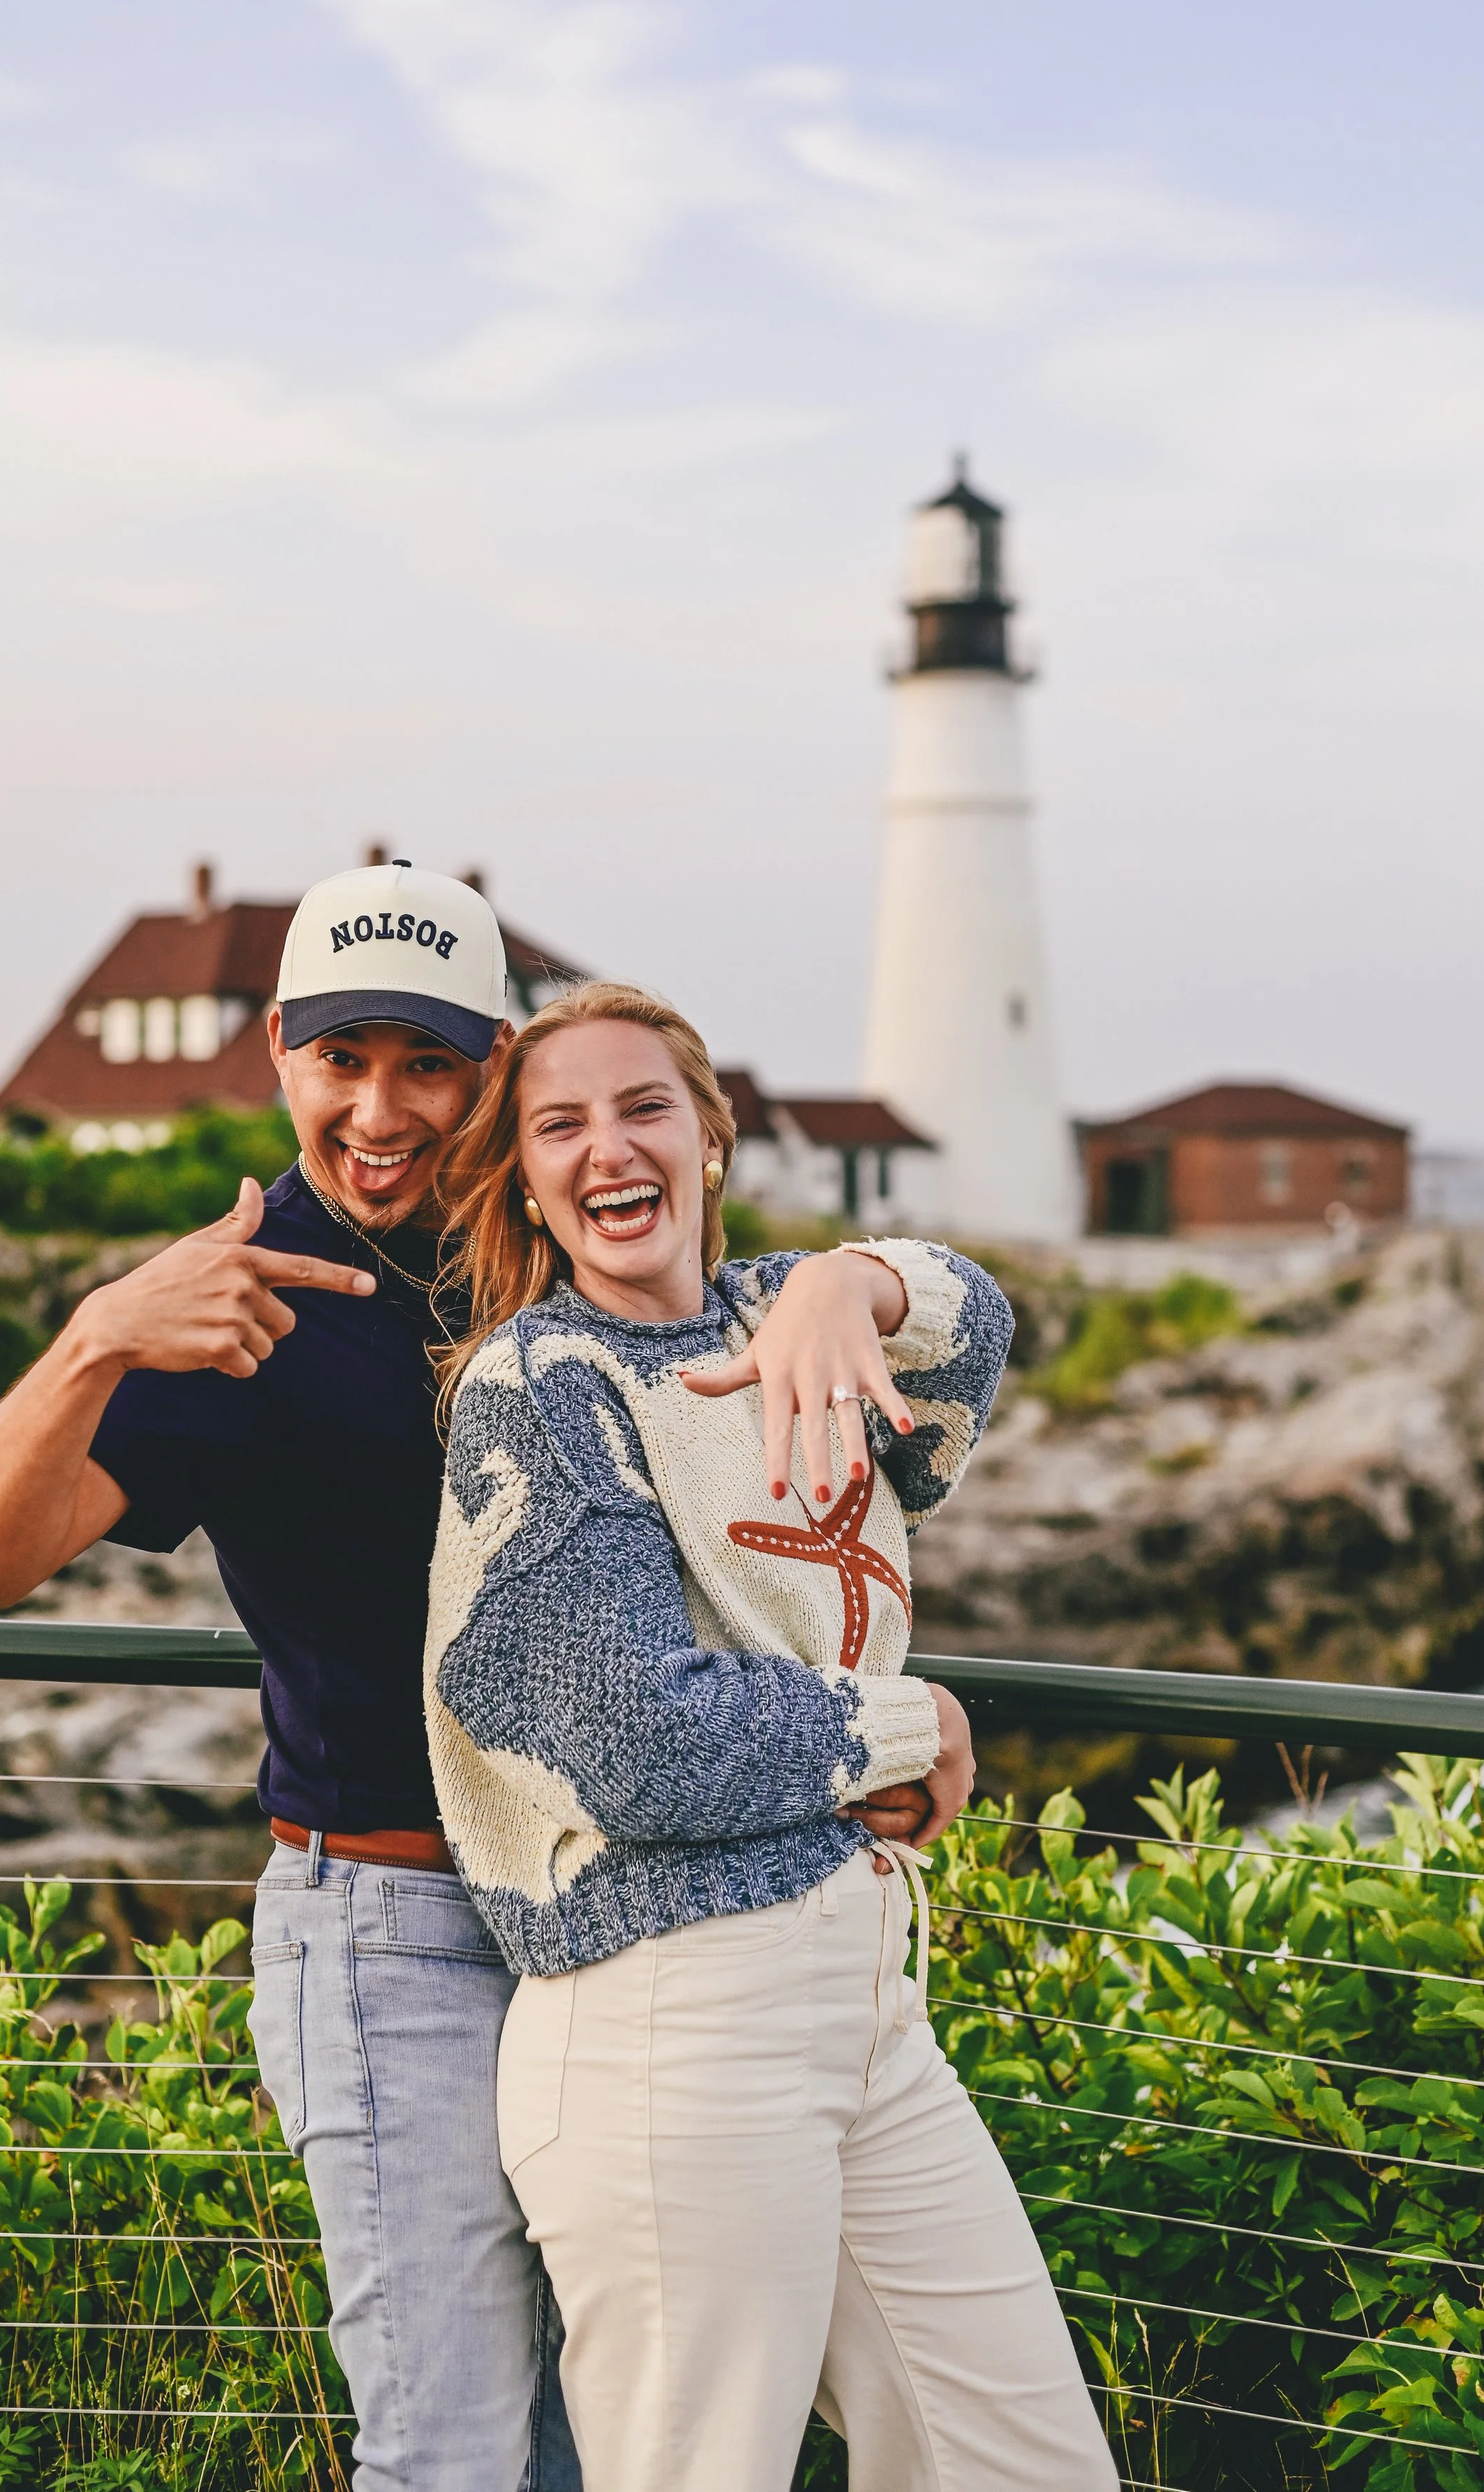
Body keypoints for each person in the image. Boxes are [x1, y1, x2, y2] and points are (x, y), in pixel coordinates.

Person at [0, 867, 933, 2492]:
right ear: (277, 1051)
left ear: (495, 1065)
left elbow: (782, 1379)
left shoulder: (543, 1257)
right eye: (341, 1059)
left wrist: (840, 1279)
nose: (378, 1110)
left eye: (429, 1064)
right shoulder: (238, 1302)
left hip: (626, 1926)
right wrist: (98, 1334)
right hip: (400, 1943)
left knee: (614, 2435)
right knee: (454, 2454)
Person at [425, 980, 1118, 2492]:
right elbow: (637, 1743)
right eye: (560, 1127)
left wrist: (851, 1282)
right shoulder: (542, 1388)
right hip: (673, 2022)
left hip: (865, 2011)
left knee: (1021, 2462)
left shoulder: (776, 1320)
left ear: (713, 1137)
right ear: (527, 1181)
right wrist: (903, 1721)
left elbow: (974, 1329)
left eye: (643, 1108)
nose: (607, 1150)